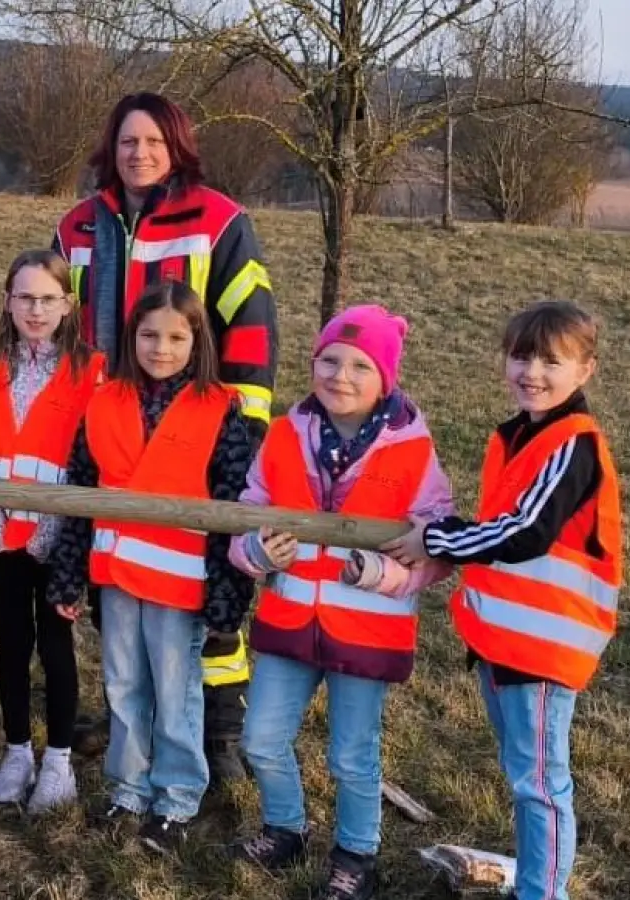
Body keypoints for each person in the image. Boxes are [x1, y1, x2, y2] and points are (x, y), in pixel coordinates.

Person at [53, 92, 280, 778]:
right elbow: (62, 333)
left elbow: (251, 329)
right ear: (110, 147)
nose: (139, 153)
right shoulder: (79, 227)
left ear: (177, 146)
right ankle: (136, 716)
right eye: (128, 141)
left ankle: (219, 731)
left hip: (195, 436)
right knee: (120, 583)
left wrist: (237, 440)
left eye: (153, 141)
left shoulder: (219, 221)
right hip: (112, 437)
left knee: (204, 580)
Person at [383, 300, 622, 900]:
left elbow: (523, 532)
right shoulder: (520, 433)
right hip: (508, 639)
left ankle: (544, 893)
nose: (532, 372)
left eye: (551, 361)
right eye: (521, 357)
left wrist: (436, 537)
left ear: (585, 371)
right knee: (526, 776)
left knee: (540, 782)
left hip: (545, 646)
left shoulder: (573, 443)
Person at [228, 305, 455, 900]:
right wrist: (256, 552)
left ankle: (357, 852)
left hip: (366, 629)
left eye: (360, 365)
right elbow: (247, 515)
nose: (341, 376)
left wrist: (382, 573)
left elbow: (437, 546)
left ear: (386, 377)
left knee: (352, 755)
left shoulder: (413, 449)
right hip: (289, 618)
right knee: (261, 739)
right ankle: (286, 827)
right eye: (329, 360)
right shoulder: (282, 434)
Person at [47, 280, 255, 854]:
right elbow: (80, 493)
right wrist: (68, 574)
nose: (160, 348)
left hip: (179, 580)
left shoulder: (220, 408)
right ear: (130, 337)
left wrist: (226, 597)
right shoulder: (105, 400)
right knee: (122, 684)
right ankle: (129, 787)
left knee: (174, 689)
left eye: (174, 336)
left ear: (197, 341)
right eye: (148, 335)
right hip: (116, 575)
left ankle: (177, 796)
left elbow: (232, 506)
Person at [0, 250, 104, 813]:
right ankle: (18, 749)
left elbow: (93, 458)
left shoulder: (90, 371)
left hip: (60, 539)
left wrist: (66, 535)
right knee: (12, 643)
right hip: (4, 533)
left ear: (67, 304)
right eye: (25, 297)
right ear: (8, 300)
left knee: (55, 646)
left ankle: (59, 762)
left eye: (48, 298)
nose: (36, 308)